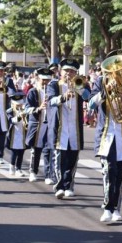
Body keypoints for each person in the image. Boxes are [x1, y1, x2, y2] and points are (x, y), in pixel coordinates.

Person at [90, 50, 122, 222]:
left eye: (120, 66)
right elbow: (90, 104)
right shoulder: (100, 81)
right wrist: (104, 93)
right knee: (108, 171)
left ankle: (116, 208)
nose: (117, 70)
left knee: (119, 175)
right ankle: (107, 207)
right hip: (106, 136)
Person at [47, 59, 91, 199]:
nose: (69, 74)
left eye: (72, 71)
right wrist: (63, 97)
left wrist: (78, 87)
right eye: (66, 71)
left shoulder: (81, 84)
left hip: (74, 127)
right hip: (60, 127)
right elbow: (51, 101)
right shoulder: (53, 84)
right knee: (60, 158)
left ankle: (69, 185)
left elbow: (88, 97)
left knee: (72, 158)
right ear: (61, 71)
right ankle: (60, 186)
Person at [25, 68, 54, 183]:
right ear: (38, 79)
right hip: (37, 124)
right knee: (36, 150)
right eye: (43, 80)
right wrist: (38, 108)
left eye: (47, 80)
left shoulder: (52, 92)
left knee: (48, 150)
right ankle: (33, 171)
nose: (45, 83)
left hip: (49, 125)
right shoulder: (33, 92)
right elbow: (26, 108)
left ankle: (48, 175)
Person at [6, 92, 28, 177]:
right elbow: (12, 121)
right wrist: (19, 116)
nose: (19, 106)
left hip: (23, 134)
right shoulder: (9, 111)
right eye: (17, 105)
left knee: (21, 152)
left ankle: (19, 168)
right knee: (14, 152)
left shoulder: (25, 111)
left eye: (20, 105)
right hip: (14, 134)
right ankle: (12, 166)